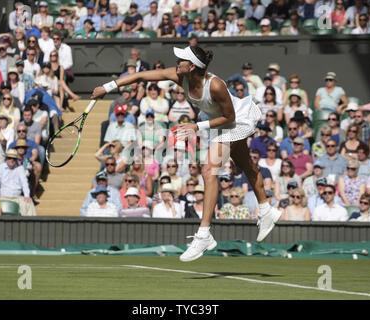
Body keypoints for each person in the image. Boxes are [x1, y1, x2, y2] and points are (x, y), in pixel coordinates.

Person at [91, 45, 281, 261]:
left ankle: (204, 234)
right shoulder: (179, 75)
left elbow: (229, 118)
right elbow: (142, 75)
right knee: (247, 165)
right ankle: (266, 210)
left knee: (209, 169)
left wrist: (196, 127)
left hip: (235, 120)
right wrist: (108, 87)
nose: (177, 62)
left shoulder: (216, 85)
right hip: (217, 123)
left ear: (191, 67)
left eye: (181, 59)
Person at [0, 149, 36, 216]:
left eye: (14, 158)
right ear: (6, 159)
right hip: (3, 196)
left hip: (17, 197)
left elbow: (24, 183)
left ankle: (30, 224)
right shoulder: (0, 168)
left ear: (16, 159)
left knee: (29, 203)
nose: (11, 160)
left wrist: (27, 195)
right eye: (9, 158)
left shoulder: (20, 168)